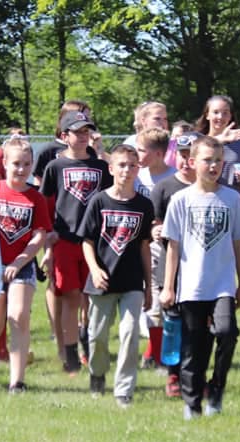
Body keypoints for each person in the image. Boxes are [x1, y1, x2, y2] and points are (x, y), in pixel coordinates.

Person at [159, 136, 240, 419]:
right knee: (193, 347)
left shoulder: (232, 199)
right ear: (192, 162)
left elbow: (239, 243)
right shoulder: (180, 200)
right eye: (207, 160)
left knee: (227, 333)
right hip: (191, 286)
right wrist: (168, 287)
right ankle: (193, 403)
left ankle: (217, 387)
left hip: (222, 284)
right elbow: (173, 246)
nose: (213, 166)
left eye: (218, 161)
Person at [78, 144, 154, 407]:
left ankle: (124, 389)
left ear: (138, 169)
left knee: (130, 333)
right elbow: (87, 241)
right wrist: (95, 269)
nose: (127, 170)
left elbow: (144, 245)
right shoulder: (99, 201)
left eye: (132, 165)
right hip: (102, 281)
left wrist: (148, 286)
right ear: (111, 168)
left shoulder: (144, 205)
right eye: (122, 165)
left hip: (132, 281)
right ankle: (97, 374)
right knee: (97, 336)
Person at [0, 137, 50, 392]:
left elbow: (40, 235)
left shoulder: (36, 198)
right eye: (16, 163)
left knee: (18, 317)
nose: (21, 169)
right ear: (4, 163)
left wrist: (20, 260)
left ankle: (17, 381)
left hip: (22, 265)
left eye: (27, 164)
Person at [40, 111, 113, 374]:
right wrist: (48, 241)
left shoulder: (102, 168)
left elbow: (109, 201)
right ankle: (70, 355)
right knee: (71, 297)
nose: (83, 136)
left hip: (95, 242)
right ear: (64, 136)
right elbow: (45, 205)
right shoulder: (55, 167)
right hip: (66, 241)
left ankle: (92, 348)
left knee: (94, 298)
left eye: (87, 131)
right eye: (77, 131)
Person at [150, 131, 199, 397]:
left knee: (196, 325)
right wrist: (155, 231)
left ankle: (192, 373)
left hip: (199, 265)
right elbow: (153, 223)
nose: (185, 161)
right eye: (182, 155)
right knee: (172, 322)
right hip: (169, 266)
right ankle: (172, 375)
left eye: (191, 156)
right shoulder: (164, 188)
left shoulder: (206, 188)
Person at [133, 127, 176, 370]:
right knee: (144, 300)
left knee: (159, 300)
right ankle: (153, 350)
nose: (137, 154)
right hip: (137, 242)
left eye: (142, 150)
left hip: (163, 246)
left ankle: (158, 354)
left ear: (158, 153)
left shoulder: (173, 177)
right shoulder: (137, 176)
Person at [194, 95, 240, 192]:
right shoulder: (197, 141)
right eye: (216, 112)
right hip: (203, 199)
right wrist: (219, 140)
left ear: (230, 116)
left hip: (231, 201)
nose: (220, 117)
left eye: (225, 113)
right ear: (207, 115)